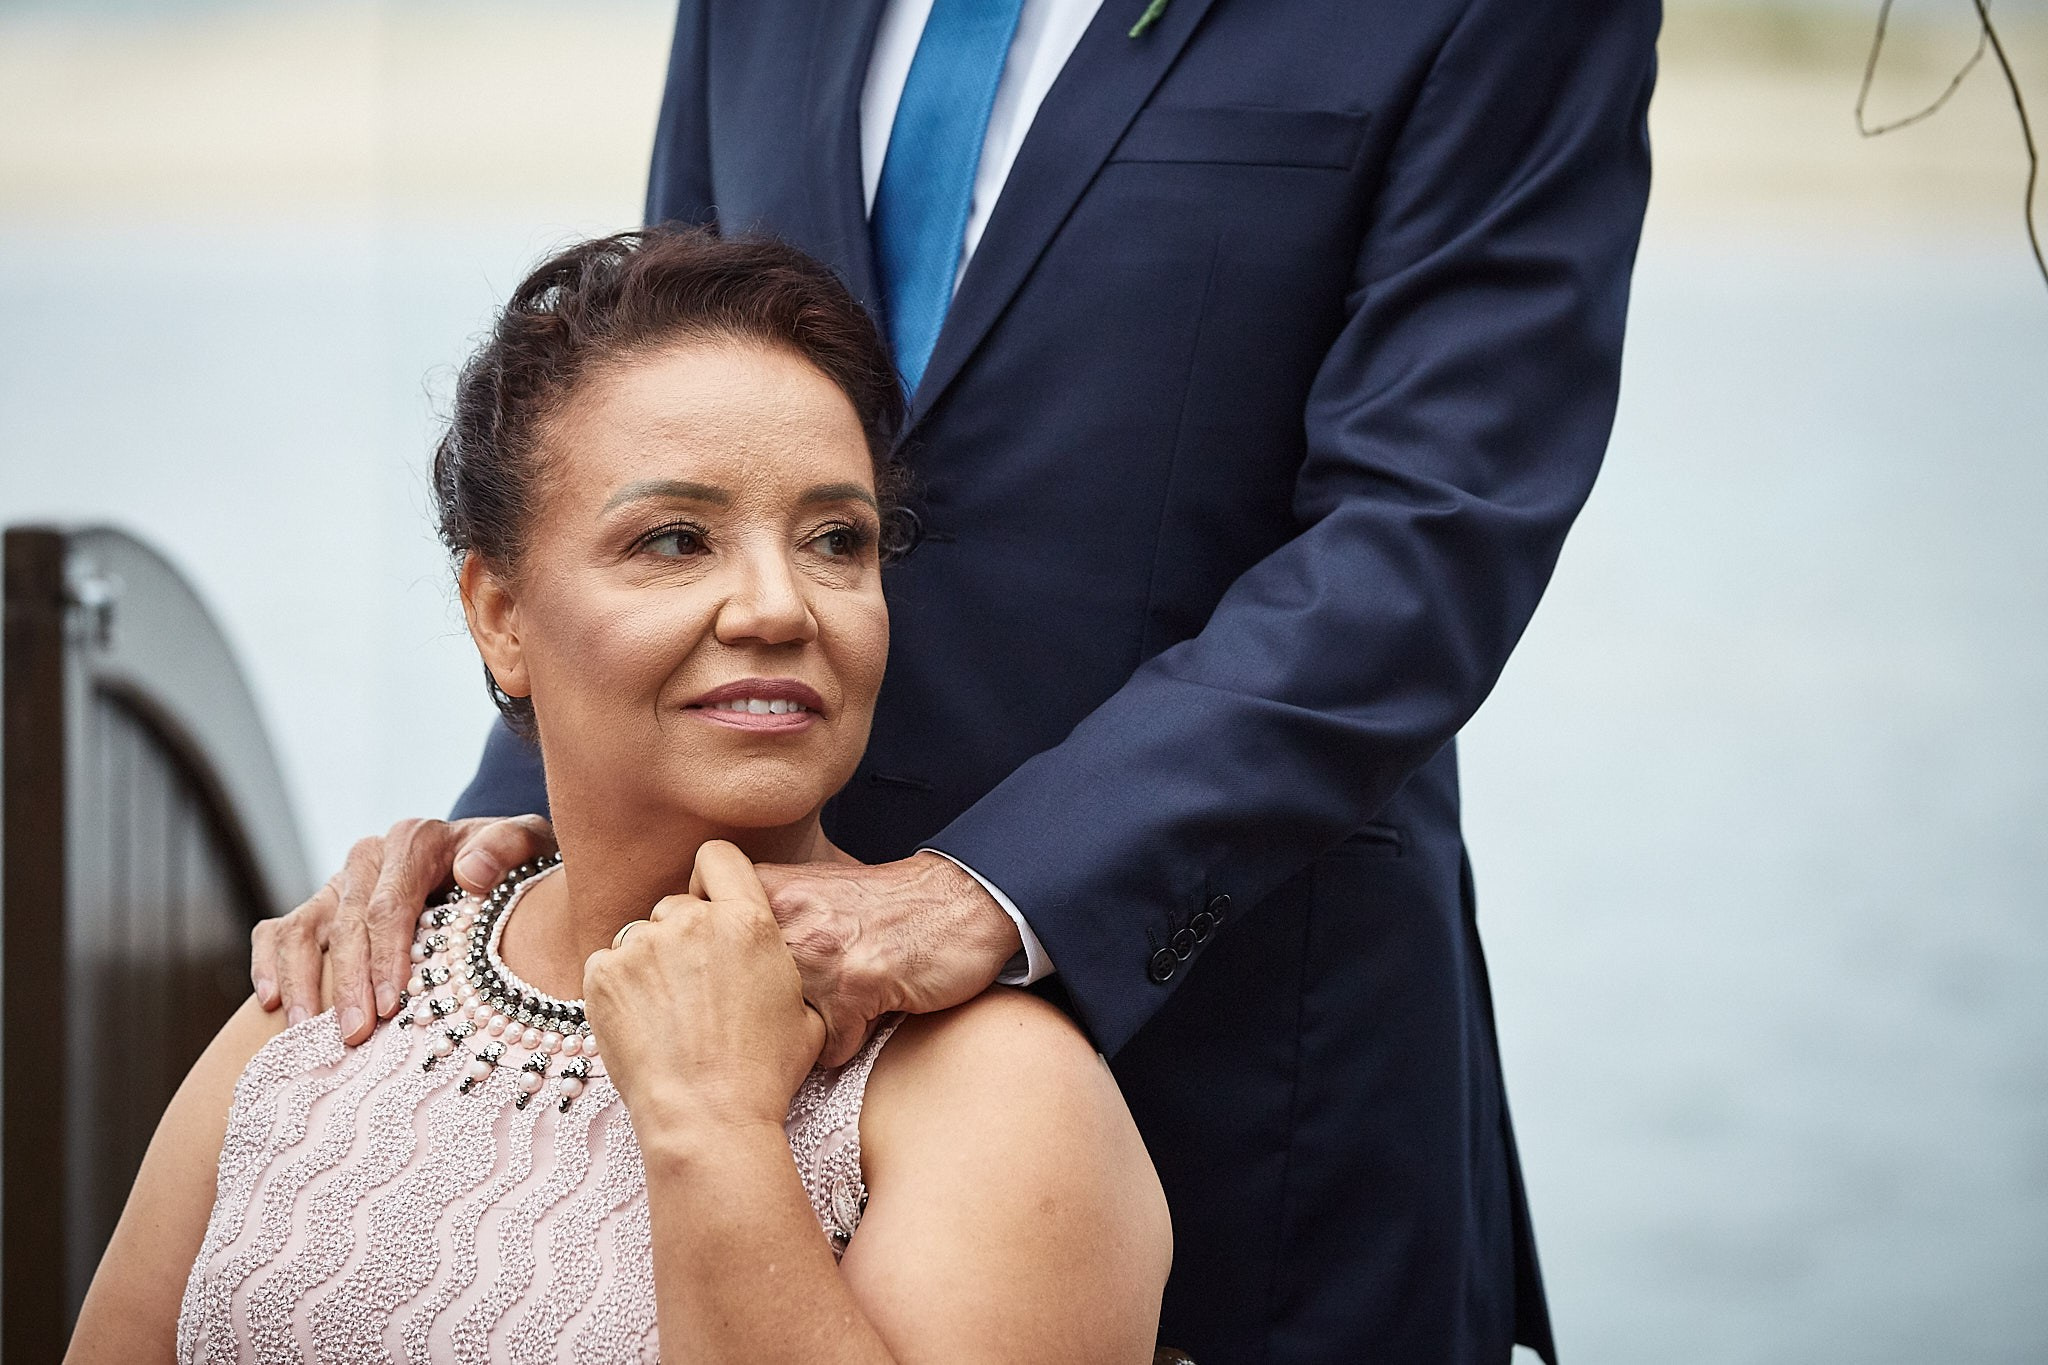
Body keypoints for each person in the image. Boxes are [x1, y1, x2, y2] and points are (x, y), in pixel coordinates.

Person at [256, 0, 1658, 1358]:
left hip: (1247, 1069)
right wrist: (523, 818)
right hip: (722, 1032)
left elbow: (1426, 532)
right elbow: (655, 385)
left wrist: (996, 890)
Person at [67, 230, 1171, 1364]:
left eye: (836, 540)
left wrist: (714, 1130)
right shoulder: (330, 1005)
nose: (776, 607)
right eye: (676, 540)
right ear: (500, 617)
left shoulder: (997, 1094)